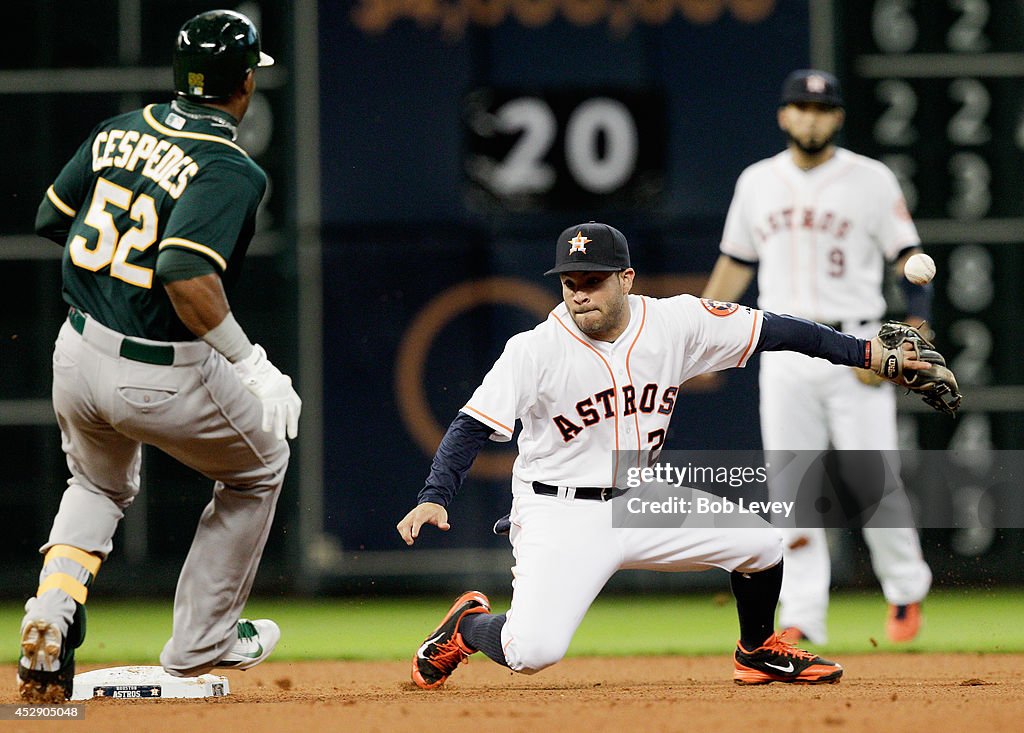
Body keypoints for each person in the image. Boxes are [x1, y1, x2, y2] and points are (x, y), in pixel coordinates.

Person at [397, 221, 938, 690]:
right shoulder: (534, 349)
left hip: (640, 496)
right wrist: (434, 496)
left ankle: (757, 652)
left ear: (626, 279)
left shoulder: (675, 322)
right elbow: (470, 426)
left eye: (592, 281)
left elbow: (776, 330)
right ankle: (467, 626)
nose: (579, 293)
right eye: (569, 283)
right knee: (531, 652)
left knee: (762, 543)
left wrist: (866, 352)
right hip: (560, 512)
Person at [18, 9, 300, 703]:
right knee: (262, 463)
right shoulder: (230, 167)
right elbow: (182, 272)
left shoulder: (120, 129)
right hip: (160, 368)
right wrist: (254, 364)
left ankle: (51, 608)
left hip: (78, 351)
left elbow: (53, 216)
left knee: (96, 487)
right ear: (242, 87)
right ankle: (204, 640)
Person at [701, 69, 933, 645]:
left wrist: (904, 340)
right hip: (783, 346)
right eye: (800, 107)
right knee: (792, 488)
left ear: (838, 118)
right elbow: (736, 262)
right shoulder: (757, 181)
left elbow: (911, 258)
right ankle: (802, 612)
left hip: (857, 344)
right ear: (784, 116)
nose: (810, 117)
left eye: (821, 108)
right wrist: (700, 327)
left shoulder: (871, 180)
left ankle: (905, 590)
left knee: (871, 478)